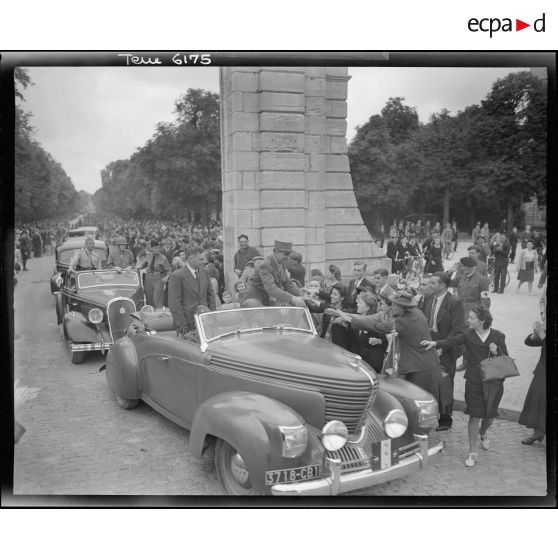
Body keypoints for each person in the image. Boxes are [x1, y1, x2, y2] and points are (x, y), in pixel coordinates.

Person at [332, 291, 444, 404]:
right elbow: (372, 318)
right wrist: (346, 315)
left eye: (394, 304)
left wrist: (350, 320)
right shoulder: (413, 312)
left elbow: (378, 326)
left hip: (420, 366)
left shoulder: (404, 321)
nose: (391, 306)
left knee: (420, 402)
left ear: (401, 307)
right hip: (419, 362)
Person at [439, 306, 507, 467]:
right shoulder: (467, 334)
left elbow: (506, 358)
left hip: (493, 382)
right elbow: (452, 341)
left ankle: (483, 433)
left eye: (471, 318)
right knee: (474, 415)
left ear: (482, 321)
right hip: (474, 381)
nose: (468, 320)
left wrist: (497, 351)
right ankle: (472, 452)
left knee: (489, 416)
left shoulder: (498, 336)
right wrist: (435, 343)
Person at [420, 273, 466, 430]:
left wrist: (440, 347)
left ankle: (446, 419)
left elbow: (458, 332)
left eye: (433, 282)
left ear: (443, 285)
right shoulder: (428, 298)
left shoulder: (455, 302)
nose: (429, 285)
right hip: (428, 345)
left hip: (446, 348)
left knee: (445, 384)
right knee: (428, 382)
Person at [168, 245, 216, 336]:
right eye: (200, 259)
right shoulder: (177, 276)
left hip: (206, 323)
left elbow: (211, 296)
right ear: (190, 258)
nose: (204, 261)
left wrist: (213, 318)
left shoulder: (205, 272)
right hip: (187, 326)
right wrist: (183, 327)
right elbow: (175, 304)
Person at [244, 240, 305, 307]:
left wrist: (302, 293)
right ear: (275, 251)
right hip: (254, 302)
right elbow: (271, 289)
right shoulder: (265, 265)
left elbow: (287, 284)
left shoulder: (281, 263)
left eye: (289, 255)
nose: (288, 257)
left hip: (267, 301)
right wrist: (292, 298)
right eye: (286, 254)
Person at [519, 320, 546, 445]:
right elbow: (528, 342)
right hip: (543, 371)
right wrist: (535, 335)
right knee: (537, 400)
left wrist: (542, 335)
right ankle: (537, 433)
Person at [348, 290, 388, 372]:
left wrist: (380, 341)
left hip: (372, 364)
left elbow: (386, 341)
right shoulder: (356, 319)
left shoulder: (376, 321)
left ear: (367, 307)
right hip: (357, 362)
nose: (357, 304)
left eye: (360, 303)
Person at [139, 239, 172, 308]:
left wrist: (166, 277)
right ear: (151, 248)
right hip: (148, 279)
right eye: (155, 248)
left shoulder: (163, 258)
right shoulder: (148, 256)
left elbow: (169, 270)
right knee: (149, 298)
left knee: (156, 299)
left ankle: (158, 315)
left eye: (158, 248)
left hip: (158, 279)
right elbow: (143, 265)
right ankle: (150, 315)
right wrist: (139, 266)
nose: (157, 249)